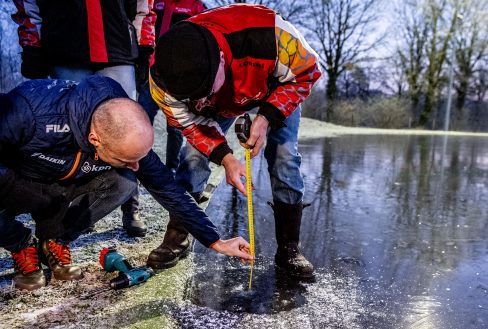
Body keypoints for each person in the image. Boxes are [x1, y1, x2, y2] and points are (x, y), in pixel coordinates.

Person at [0, 75, 252, 291]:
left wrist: (215, 240)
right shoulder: (27, 111)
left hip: (64, 185)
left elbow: (169, 190)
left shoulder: (124, 133)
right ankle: (21, 244)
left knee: (126, 180)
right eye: (125, 158)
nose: (135, 164)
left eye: (137, 159)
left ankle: (54, 239)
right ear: (94, 138)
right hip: (21, 185)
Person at [149, 4, 322, 281]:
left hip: (273, 87)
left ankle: (289, 247)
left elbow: (307, 73)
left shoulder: (274, 36)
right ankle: (179, 236)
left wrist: (266, 118)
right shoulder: (162, 76)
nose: (198, 102)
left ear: (219, 59)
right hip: (223, 101)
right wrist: (227, 158)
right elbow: (190, 123)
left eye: (202, 92)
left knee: (285, 157)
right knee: (193, 156)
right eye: (191, 97)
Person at [11, 0, 156, 237]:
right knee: (74, 135)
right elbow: (28, 4)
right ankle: (78, 209)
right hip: (66, 43)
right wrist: (32, 44)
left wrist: (145, 44)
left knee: (128, 128)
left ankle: (131, 206)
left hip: (116, 43)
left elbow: (144, 3)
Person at [136, 0, 207, 175]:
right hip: (151, 72)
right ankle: (142, 164)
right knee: (143, 119)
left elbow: (201, 40)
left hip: (176, 76)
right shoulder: (156, 3)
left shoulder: (196, 7)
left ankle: (171, 168)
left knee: (175, 125)